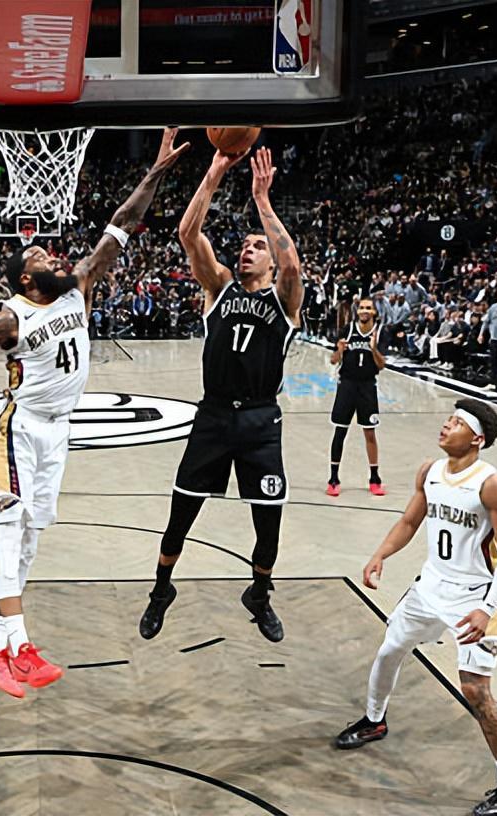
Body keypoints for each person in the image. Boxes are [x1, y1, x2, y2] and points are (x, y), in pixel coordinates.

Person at [0, 128, 189, 696]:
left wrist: (155, 172)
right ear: (25, 278)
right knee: (8, 530)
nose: (52, 256)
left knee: (30, 536)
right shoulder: (7, 318)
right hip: (20, 428)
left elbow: (122, 222)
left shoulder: (80, 283)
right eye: (39, 257)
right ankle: (19, 643)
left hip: (60, 433)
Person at [333, 399, 497, 816]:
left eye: (457, 423)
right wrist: (380, 554)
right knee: (389, 650)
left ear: (477, 439)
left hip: (473, 598)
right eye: (448, 419)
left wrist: (488, 608)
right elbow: (410, 521)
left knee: (476, 691)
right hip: (429, 588)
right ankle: (374, 720)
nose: (446, 425)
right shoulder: (430, 471)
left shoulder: (492, 484)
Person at [139, 145, 302, 644]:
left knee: (268, 525)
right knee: (180, 517)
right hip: (212, 418)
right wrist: (213, 173)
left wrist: (262, 200)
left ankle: (260, 594)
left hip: (260, 422)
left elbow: (293, 265)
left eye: (258, 246)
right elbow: (188, 235)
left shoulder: (285, 299)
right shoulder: (221, 287)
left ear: (270, 260)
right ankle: (161, 590)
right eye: (245, 244)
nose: (247, 249)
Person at [327, 296, 386, 497]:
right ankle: (333, 478)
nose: (364, 311)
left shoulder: (378, 333)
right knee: (340, 431)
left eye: (368, 308)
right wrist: (339, 350)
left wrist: (373, 348)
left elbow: (381, 365)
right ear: (357, 310)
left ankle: (374, 478)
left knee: (370, 433)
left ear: (374, 312)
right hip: (347, 385)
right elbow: (333, 360)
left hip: (368, 386)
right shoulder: (347, 330)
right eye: (361, 307)